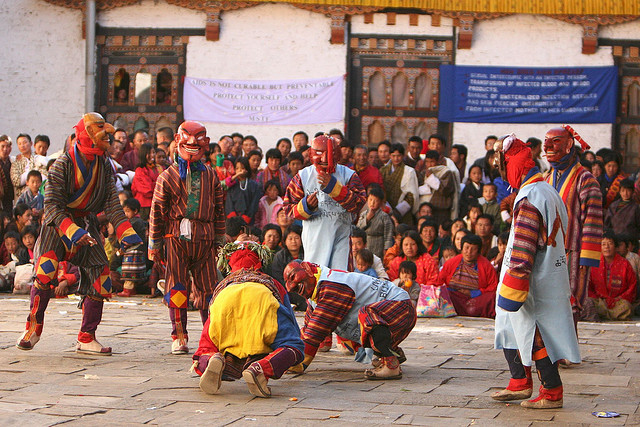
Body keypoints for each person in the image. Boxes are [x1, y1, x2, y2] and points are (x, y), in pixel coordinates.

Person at [16, 113, 143, 355]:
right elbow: (51, 206)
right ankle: (33, 328)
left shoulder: (104, 165)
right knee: (44, 274)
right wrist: (72, 231)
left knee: (100, 274)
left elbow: (112, 203)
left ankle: (87, 335)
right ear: (86, 135)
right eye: (101, 134)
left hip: (86, 224)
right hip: (58, 226)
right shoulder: (63, 165)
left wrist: (127, 234)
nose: (107, 139)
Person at [491, 134, 580, 409]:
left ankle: (551, 392)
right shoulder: (547, 189)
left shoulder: (530, 198)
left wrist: (514, 283)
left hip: (532, 277)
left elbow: (524, 245)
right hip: (547, 274)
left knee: (535, 333)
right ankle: (519, 381)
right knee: (512, 326)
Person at [148, 121, 226, 355]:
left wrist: (220, 239)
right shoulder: (167, 176)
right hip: (175, 238)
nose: (192, 144)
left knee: (209, 289)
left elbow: (219, 209)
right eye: (187, 139)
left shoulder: (211, 176)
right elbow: (157, 211)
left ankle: (210, 336)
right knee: (177, 286)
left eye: (198, 139)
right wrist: (155, 243)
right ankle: (179, 335)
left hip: (205, 237)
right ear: (177, 140)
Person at [192, 241, 304, 398]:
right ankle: (261, 369)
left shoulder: (223, 284)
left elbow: (211, 315)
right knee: (294, 346)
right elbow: (289, 316)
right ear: (260, 261)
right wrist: (294, 343)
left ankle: (211, 360)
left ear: (229, 264)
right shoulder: (271, 281)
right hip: (262, 297)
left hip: (225, 300)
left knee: (205, 349)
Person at [283, 260, 417, 379]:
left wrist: (291, 363)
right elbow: (307, 331)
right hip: (394, 310)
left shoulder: (330, 286)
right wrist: (286, 352)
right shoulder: (315, 296)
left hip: (401, 307)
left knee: (367, 315)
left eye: (296, 281)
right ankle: (391, 352)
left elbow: (313, 336)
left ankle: (390, 363)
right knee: (351, 330)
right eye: (294, 288)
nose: (296, 288)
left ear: (308, 271)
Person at [543, 125, 603, 325]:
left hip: (573, 253)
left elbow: (593, 223)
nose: (547, 146)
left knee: (570, 304)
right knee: (546, 302)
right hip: (548, 252)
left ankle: (568, 352)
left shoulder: (586, 180)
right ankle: (549, 352)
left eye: (555, 141)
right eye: (546, 141)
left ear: (569, 145)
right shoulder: (545, 178)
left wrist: (587, 261)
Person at [283, 134, 366, 271]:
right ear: (311, 154)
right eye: (320, 154)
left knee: (340, 280)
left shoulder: (348, 175)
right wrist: (307, 207)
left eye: (330, 155)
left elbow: (359, 203)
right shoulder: (303, 176)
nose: (324, 160)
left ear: (337, 155)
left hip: (341, 239)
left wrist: (335, 189)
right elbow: (288, 208)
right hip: (314, 241)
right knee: (315, 280)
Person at [437, 234, 497, 318]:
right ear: (461, 248)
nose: (469, 252)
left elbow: (493, 286)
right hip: (455, 298)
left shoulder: (486, 265)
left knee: (492, 297)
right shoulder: (452, 263)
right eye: (466, 248)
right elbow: (440, 281)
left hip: (476, 299)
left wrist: (473, 293)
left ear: (479, 251)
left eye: (473, 249)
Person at [588, 231, 636, 321]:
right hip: (600, 301)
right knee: (590, 303)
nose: (607, 247)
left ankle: (604, 314)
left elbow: (632, 285)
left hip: (618, 302)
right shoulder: (594, 263)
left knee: (626, 307)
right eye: (604, 244)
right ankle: (613, 315)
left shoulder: (625, 263)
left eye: (610, 244)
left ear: (615, 246)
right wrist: (600, 299)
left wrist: (619, 298)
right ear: (600, 247)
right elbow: (589, 286)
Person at [269, 224, 306, 311]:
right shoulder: (279, 257)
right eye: (290, 238)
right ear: (285, 241)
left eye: (296, 238)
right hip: (286, 292)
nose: (293, 241)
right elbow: (278, 278)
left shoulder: (307, 254)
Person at [380, 143, 419, 225]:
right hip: (386, 209)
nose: (396, 159)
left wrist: (398, 211)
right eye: (393, 156)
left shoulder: (409, 171)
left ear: (403, 156)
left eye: (398, 156)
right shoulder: (383, 170)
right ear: (390, 156)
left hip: (403, 212)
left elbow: (412, 195)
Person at [356, 184, 394, 260]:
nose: (372, 203)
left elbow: (388, 234)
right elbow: (358, 229)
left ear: (380, 202)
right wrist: (367, 219)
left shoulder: (384, 216)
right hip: (366, 243)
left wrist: (386, 249)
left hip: (379, 244)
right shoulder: (364, 214)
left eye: (375, 200)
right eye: (370, 200)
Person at [418, 150, 457, 224]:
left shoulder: (446, 172)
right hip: (425, 211)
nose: (429, 165)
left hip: (441, 212)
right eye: (427, 162)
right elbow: (417, 189)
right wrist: (427, 188)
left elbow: (445, 190)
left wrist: (431, 178)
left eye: (432, 162)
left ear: (438, 161)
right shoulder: (423, 173)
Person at [224, 157, 261, 225]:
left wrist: (246, 218)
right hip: (233, 220)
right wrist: (233, 218)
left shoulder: (254, 185)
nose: (240, 170)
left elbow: (254, 203)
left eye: (242, 168)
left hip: (248, 219)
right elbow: (229, 203)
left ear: (247, 169)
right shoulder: (233, 184)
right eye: (237, 168)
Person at [10, 133, 48, 202]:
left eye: (25, 142)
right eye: (19, 143)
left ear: (31, 143)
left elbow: (45, 176)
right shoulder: (16, 162)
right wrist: (33, 172)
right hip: (22, 199)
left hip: (40, 198)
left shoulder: (39, 159)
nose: (22, 145)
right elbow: (16, 181)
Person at [132, 142, 163, 221]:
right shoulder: (140, 170)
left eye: (153, 152)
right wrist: (158, 185)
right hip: (144, 206)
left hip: (157, 203)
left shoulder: (158, 168)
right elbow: (147, 189)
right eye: (149, 153)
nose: (152, 155)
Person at [0, 135, 14, 214]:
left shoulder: (13, 161)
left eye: (8, 146)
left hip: (10, 197)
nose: (5, 149)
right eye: (2, 146)